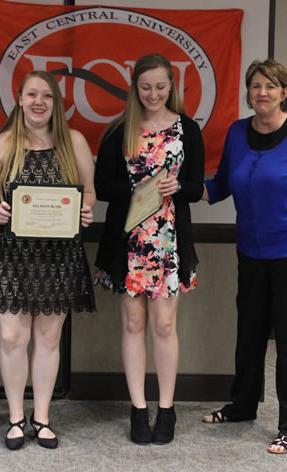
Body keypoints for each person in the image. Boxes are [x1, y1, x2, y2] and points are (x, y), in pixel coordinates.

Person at [201, 59, 287, 454]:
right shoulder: (237, 132)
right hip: (251, 252)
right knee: (249, 334)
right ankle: (243, 405)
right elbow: (222, 184)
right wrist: (183, 188)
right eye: (256, 86)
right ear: (248, 92)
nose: (262, 92)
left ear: (285, 93)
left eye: (271, 86)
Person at [0, 70, 96, 450]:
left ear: (56, 102)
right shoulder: (3, 143)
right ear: (20, 99)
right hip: (10, 255)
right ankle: (15, 417)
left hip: (58, 257)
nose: (39, 102)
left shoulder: (74, 142)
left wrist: (86, 209)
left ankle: (42, 418)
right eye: (31, 94)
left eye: (46, 95)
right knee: (12, 337)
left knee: (48, 338)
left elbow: (89, 192)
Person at [94, 54, 204, 445]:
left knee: (164, 325)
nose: (153, 94)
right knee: (133, 323)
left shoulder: (187, 129)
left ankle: (167, 408)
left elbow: (197, 187)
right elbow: (101, 187)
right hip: (129, 243)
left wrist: (179, 188)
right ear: (134, 87)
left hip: (169, 241)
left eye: (160, 86)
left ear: (171, 85)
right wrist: (137, 189)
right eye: (145, 87)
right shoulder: (119, 129)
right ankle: (138, 409)